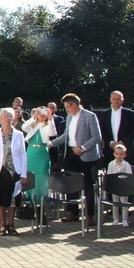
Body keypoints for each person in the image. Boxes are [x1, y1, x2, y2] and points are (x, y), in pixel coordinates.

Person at [48, 93, 102, 227]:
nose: (66, 109)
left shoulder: (90, 116)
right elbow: (66, 135)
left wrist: (82, 148)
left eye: (67, 106)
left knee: (87, 184)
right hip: (71, 153)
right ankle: (73, 213)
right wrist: (50, 144)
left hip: (85, 154)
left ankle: (90, 215)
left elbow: (96, 137)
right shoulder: (69, 118)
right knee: (70, 183)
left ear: (74, 104)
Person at [0, 108, 28, 236]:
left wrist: (23, 174)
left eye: (10, 117)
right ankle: (2, 224)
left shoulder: (19, 134)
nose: (7, 119)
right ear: (0, 119)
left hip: (15, 170)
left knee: (13, 199)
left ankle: (11, 224)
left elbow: (23, 154)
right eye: (4, 116)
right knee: (1, 199)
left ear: (13, 119)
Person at [21, 106, 57, 202]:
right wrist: (34, 117)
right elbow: (24, 127)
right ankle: (30, 200)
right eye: (40, 112)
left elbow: (53, 133)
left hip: (42, 152)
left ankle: (41, 200)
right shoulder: (33, 124)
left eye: (44, 112)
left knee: (42, 176)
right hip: (31, 152)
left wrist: (50, 118)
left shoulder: (48, 124)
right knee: (30, 176)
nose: (42, 114)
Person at [99, 90, 134, 167]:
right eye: (114, 99)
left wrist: (120, 143)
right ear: (110, 100)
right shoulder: (104, 114)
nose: (116, 101)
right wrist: (111, 143)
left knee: (127, 175)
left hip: (126, 149)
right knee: (110, 175)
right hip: (109, 150)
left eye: (118, 99)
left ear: (122, 100)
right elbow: (101, 131)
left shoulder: (130, 114)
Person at [106, 143, 133, 227]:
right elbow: (109, 175)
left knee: (124, 203)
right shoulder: (111, 164)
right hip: (115, 187)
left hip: (124, 187)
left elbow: (129, 175)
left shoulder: (126, 164)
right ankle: (115, 218)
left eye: (121, 154)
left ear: (124, 155)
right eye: (117, 154)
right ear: (114, 154)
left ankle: (125, 219)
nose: (119, 156)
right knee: (115, 203)